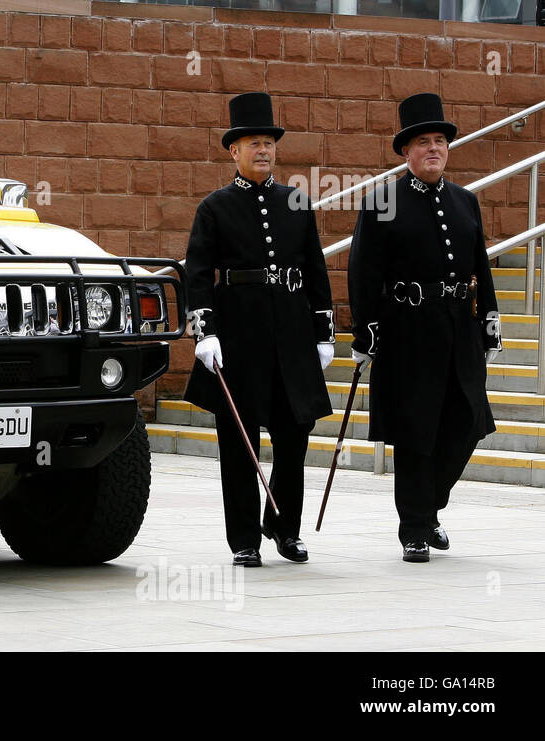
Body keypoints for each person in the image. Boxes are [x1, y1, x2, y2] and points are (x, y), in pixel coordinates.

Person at [347, 92, 501, 563]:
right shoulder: (383, 202)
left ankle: (429, 505)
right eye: (423, 142)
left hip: (458, 327)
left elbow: (481, 265)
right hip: (408, 330)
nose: (433, 148)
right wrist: (365, 331)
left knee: (468, 421)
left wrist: (490, 318)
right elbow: (362, 271)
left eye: (439, 141)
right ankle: (415, 527)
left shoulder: (465, 201)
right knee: (416, 430)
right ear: (406, 152)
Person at [184, 92, 335, 567]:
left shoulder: (296, 202)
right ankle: (245, 538)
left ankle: (286, 529)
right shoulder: (215, 207)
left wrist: (323, 331)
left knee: (295, 436)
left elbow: (315, 270)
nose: (263, 150)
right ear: (234, 151)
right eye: (253, 143)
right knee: (238, 441)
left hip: (291, 337)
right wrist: (203, 331)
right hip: (239, 339)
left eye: (268, 142)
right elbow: (197, 274)